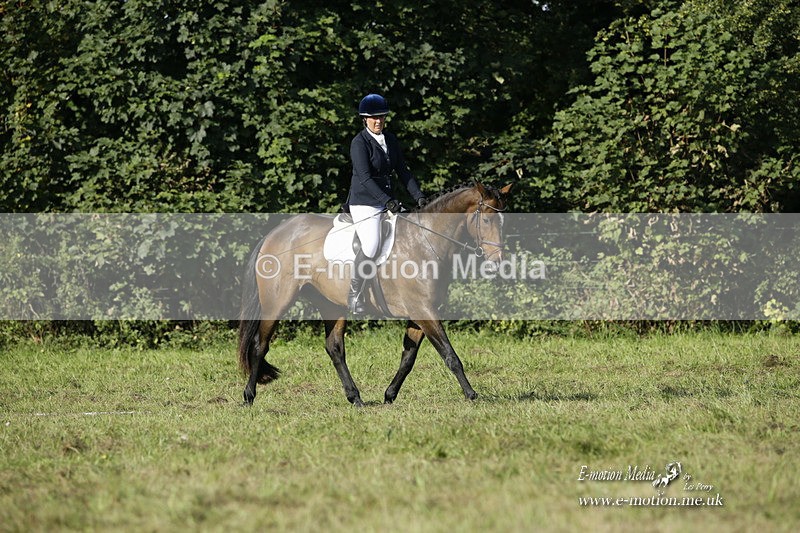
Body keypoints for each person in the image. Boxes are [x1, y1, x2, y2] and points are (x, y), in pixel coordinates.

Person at [346, 93, 427, 314]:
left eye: (381, 117)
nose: (378, 121)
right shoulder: (359, 143)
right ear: (365, 119)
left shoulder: (390, 139)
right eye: (373, 118)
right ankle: (355, 295)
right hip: (364, 203)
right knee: (371, 244)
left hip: (386, 202)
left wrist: (418, 196)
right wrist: (387, 201)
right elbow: (365, 178)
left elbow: (402, 171)